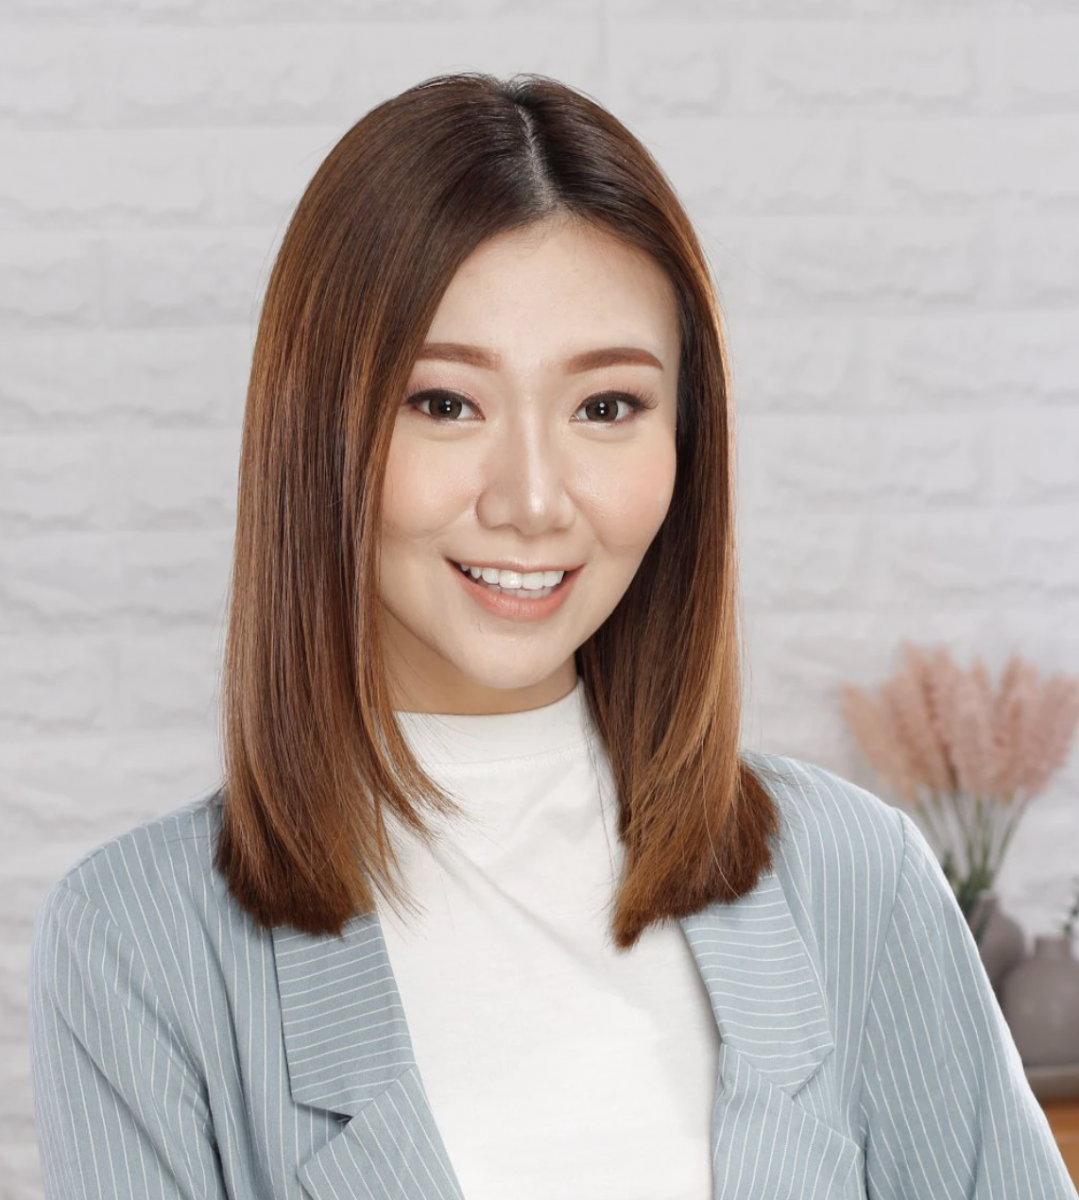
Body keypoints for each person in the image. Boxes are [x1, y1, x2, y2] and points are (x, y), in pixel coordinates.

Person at [26, 71, 1076, 1200]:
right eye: (444, 403)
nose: (531, 501)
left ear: (683, 444)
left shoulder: (854, 880)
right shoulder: (136, 942)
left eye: (605, 407)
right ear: (318, 429)